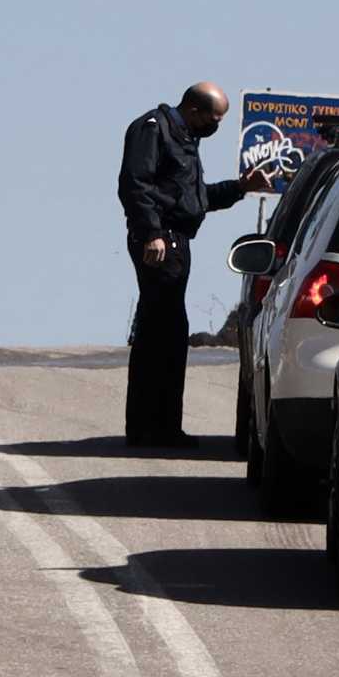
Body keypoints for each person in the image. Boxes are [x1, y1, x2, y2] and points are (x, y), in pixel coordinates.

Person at [117, 82, 269, 448]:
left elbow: (192, 199)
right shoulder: (153, 129)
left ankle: (154, 427)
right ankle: (153, 429)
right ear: (194, 110)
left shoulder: (184, 139)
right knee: (163, 333)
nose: (215, 126)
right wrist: (152, 231)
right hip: (159, 242)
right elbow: (134, 185)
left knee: (163, 333)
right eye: (214, 118)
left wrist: (240, 187)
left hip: (175, 239)